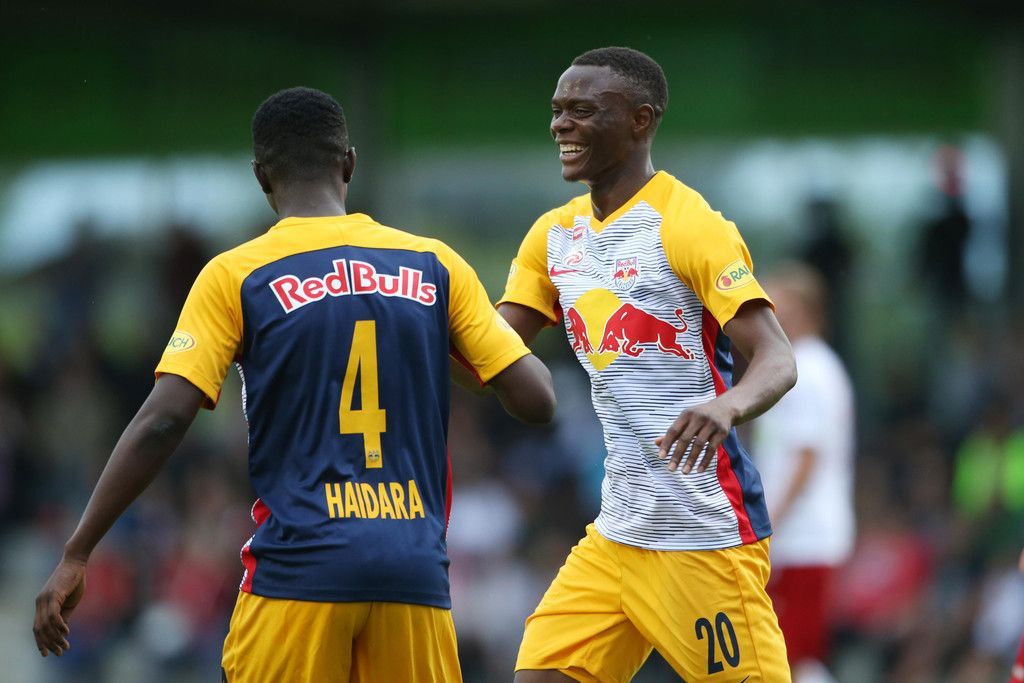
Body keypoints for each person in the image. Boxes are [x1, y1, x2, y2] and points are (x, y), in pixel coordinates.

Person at [32, 86, 556, 682]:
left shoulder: (236, 274)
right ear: (349, 163)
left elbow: (164, 419)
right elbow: (537, 400)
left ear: (262, 176)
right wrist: (456, 342)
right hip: (413, 580)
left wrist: (77, 551)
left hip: (298, 576)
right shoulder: (434, 264)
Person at [497, 47, 796, 682]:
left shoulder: (689, 225)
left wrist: (728, 404)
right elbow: (491, 347)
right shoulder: (553, 236)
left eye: (583, 110)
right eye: (557, 110)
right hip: (617, 533)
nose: (561, 125)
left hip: (703, 534)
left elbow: (777, 357)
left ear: (641, 120)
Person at [752, 264, 856, 683]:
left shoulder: (809, 370)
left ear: (807, 311)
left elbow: (807, 457)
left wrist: (768, 523)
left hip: (805, 537)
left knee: (792, 655)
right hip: (800, 536)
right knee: (789, 653)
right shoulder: (803, 365)